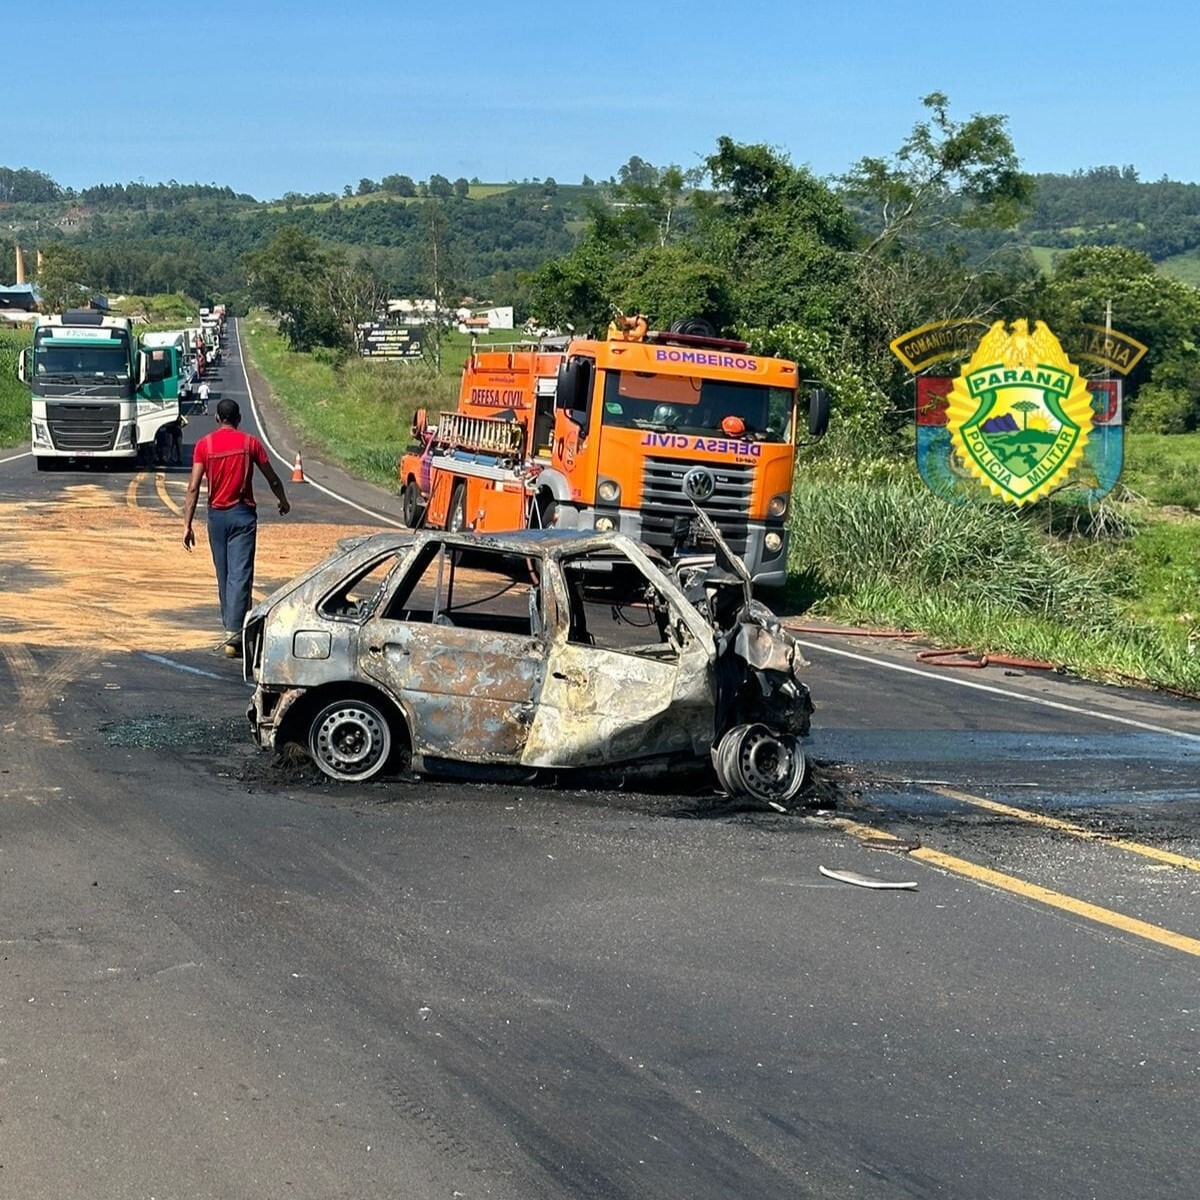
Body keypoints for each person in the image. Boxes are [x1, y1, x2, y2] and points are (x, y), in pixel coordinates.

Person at [182, 399, 290, 657]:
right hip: (242, 515)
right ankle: (234, 634)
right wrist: (282, 499)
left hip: (216, 517)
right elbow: (272, 476)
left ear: (217, 419)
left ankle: (231, 628)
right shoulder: (249, 443)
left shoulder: (204, 445)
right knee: (240, 575)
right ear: (239, 418)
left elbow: (194, 487)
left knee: (224, 573)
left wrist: (187, 524)